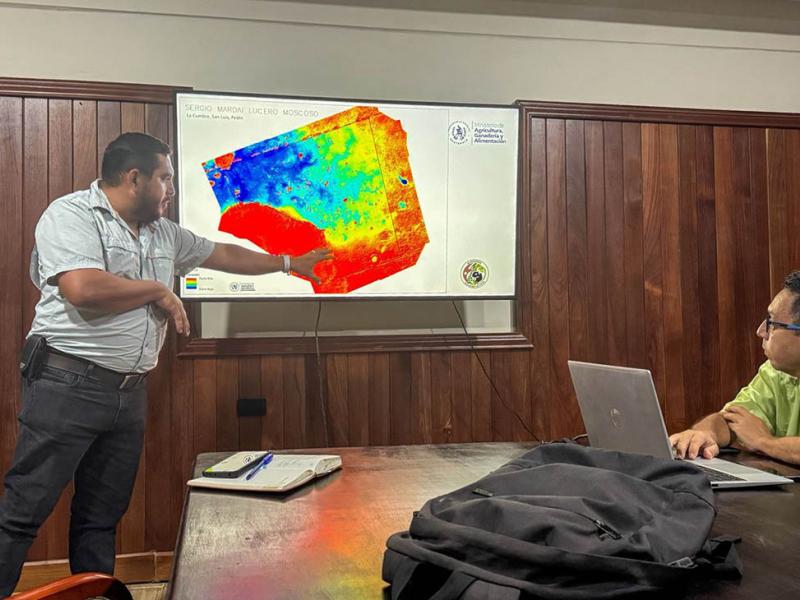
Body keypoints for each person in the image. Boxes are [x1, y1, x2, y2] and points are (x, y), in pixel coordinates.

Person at [0, 132, 331, 597]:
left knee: (101, 516)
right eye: (166, 178)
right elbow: (82, 287)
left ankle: (94, 596)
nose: (172, 189)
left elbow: (221, 253)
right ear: (134, 178)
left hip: (128, 391)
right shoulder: (72, 214)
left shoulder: (163, 232)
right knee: (24, 510)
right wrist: (159, 290)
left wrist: (288, 262)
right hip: (67, 382)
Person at [670, 270, 800, 466]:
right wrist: (704, 434)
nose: (760, 331)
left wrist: (764, 442)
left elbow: (755, 436)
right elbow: (732, 420)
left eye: (772, 323)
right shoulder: (776, 373)